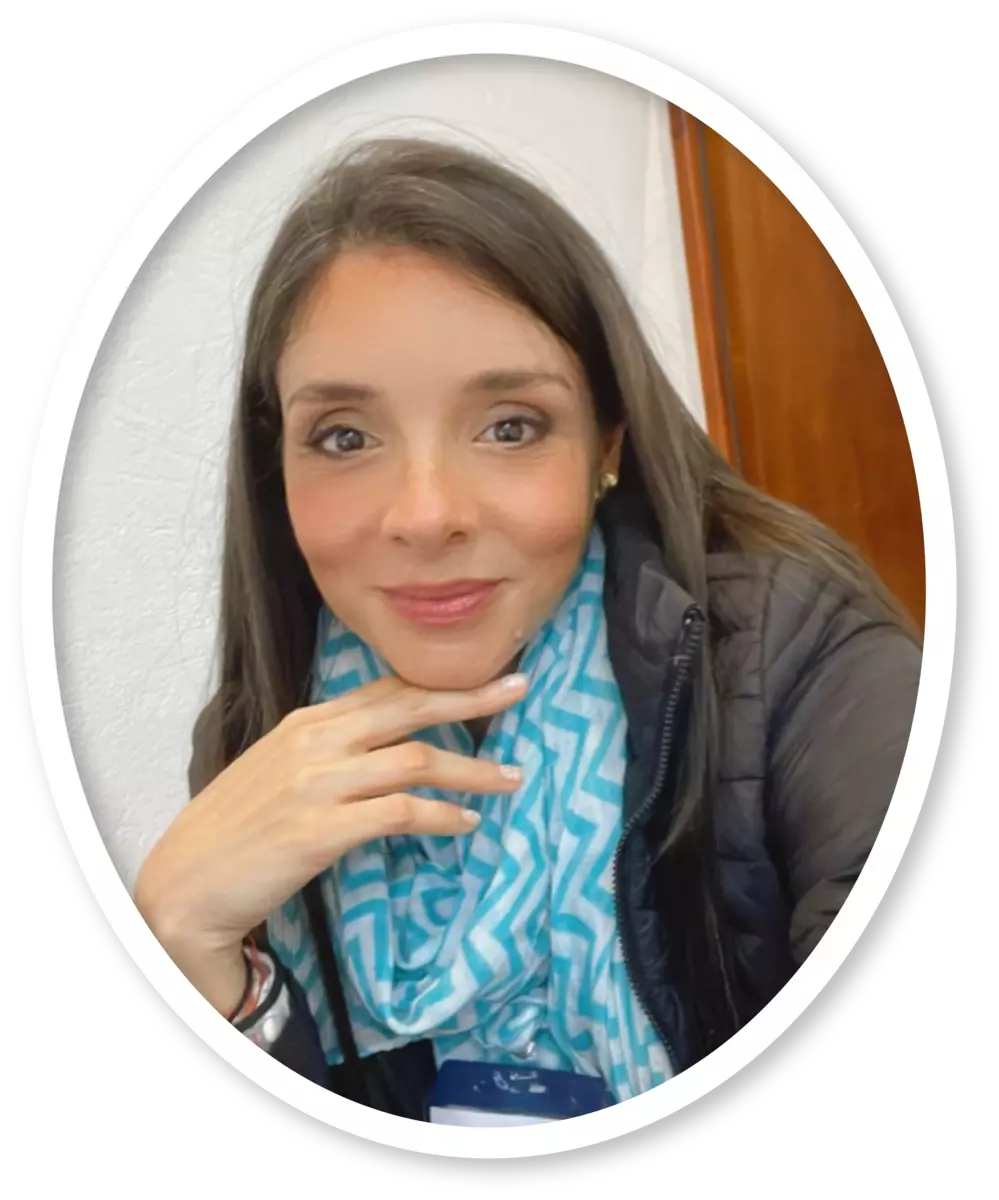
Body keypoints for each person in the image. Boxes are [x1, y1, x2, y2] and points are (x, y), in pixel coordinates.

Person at [134, 137, 922, 1121]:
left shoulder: (803, 659)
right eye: (345, 436)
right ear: (276, 466)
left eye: (509, 425)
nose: (426, 516)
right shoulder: (261, 744)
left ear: (607, 444)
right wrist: (188, 956)